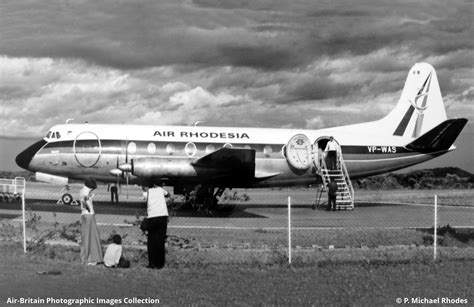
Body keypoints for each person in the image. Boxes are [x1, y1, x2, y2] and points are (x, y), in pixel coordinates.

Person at [145, 183, 170, 269]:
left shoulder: (147, 192)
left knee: (151, 241)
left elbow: (145, 199)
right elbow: (168, 194)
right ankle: (160, 264)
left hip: (152, 217)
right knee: (160, 241)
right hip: (163, 216)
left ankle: (152, 263)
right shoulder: (161, 190)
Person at [79, 178, 103, 265]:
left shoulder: (82, 190)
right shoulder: (86, 192)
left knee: (86, 237)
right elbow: (84, 200)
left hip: (84, 215)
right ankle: (91, 258)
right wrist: (89, 209)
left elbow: (83, 199)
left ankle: (86, 257)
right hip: (89, 215)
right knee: (91, 236)